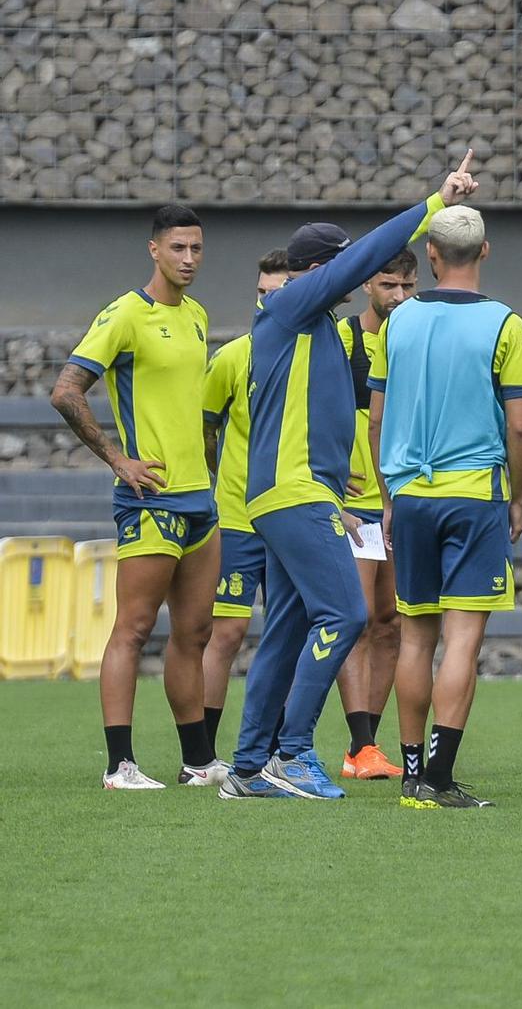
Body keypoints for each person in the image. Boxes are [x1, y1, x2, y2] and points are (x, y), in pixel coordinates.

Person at [218, 152, 477, 802]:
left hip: (301, 494)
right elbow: (364, 259)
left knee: (285, 629)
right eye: (341, 266)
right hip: (294, 491)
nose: (358, 277)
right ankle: (294, 750)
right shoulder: (290, 306)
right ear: (315, 272)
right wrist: (434, 206)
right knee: (345, 613)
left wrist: (352, 500)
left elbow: (334, 421)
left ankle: (248, 768)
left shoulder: (317, 327)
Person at [369, 201, 522, 809]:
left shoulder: (398, 321)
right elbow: (521, 428)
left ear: (432, 256)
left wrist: (390, 498)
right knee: (462, 639)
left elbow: (380, 419)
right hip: (474, 495)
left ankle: (412, 771)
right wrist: (517, 497)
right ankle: (439, 777)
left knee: (415, 638)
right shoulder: (506, 324)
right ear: (485, 252)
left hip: (411, 495)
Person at [52, 204, 223, 789]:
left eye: (197, 248)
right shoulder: (127, 313)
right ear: (154, 249)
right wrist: (117, 459)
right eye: (178, 248)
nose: (189, 259)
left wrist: (211, 466)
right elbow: (66, 390)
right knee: (133, 628)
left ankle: (198, 762)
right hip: (151, 500)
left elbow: (195, 411)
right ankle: (119, 765)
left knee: (195, 633)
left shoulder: (198, 315)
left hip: (200, 500)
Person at [198, 249, 289, 756]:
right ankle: (206, 750)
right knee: (228, 632)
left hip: (289, 517)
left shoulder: (306, 357)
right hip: (236, 518)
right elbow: (206, 429)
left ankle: (277, 746)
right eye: (261, 293)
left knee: (282, 634)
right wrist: (224, 476)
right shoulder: (232, 356)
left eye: (278, 294)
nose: (267, 302)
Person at [332, 250, 418, 779]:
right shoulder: (343, 340)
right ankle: (359, 744)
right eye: (390, 285)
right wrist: (327, 472)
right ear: (368, 285)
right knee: (359, 619)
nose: (400, 297)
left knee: (391, 623)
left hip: (403, 498)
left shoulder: (415, 338)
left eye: (408, 286)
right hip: (357, 501)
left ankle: (367, 744)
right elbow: (318, 406)